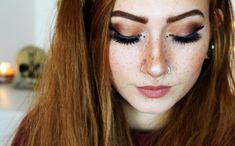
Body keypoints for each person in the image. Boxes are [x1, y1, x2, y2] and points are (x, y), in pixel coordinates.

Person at [11, 0, 235, 145]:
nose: (156, 67)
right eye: (126, 35)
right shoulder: (41, 134)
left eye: (184, 34)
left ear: (213, 33)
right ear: (91, 36)